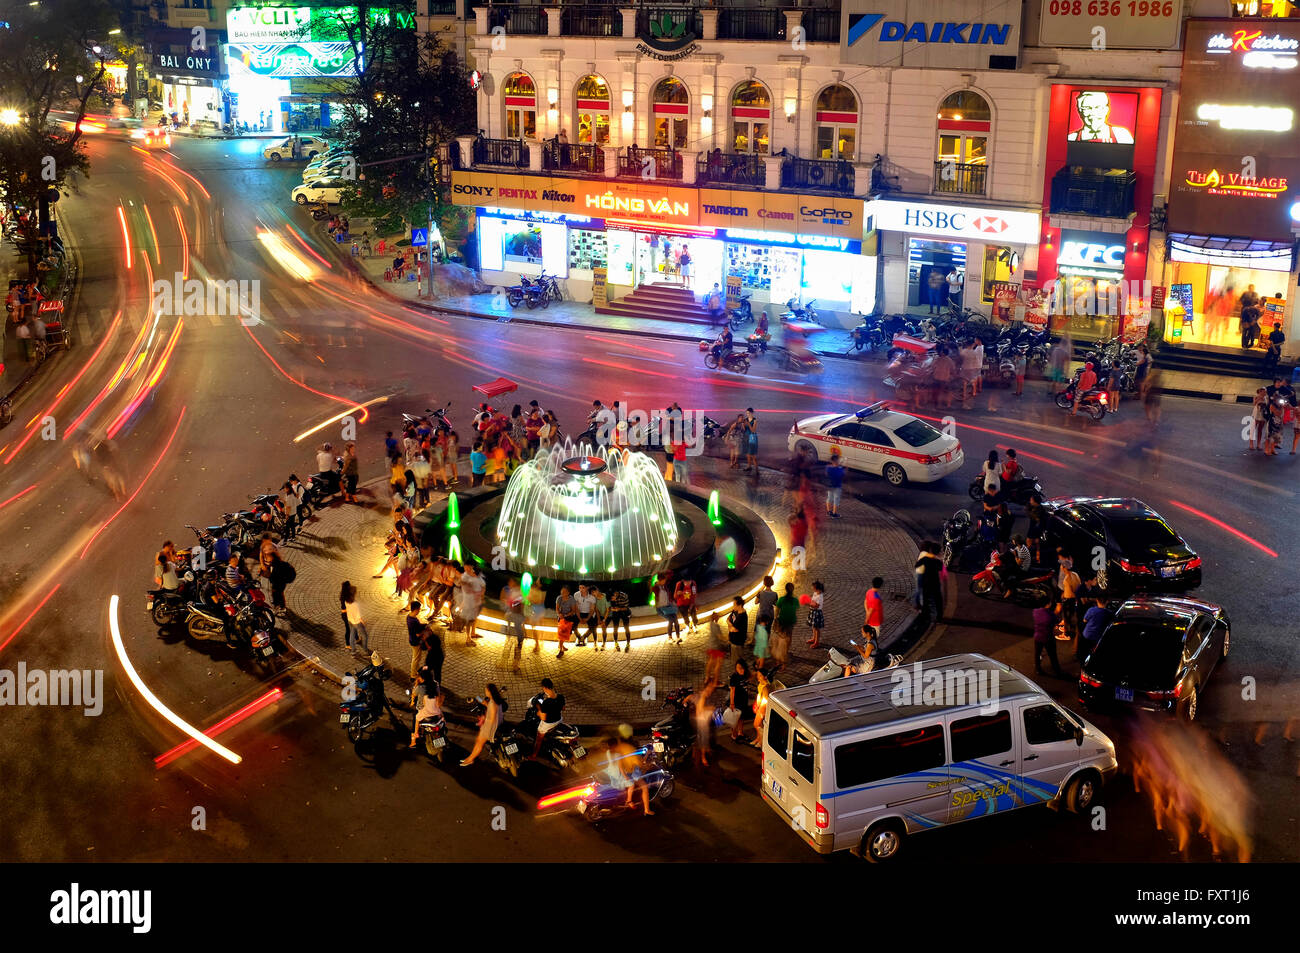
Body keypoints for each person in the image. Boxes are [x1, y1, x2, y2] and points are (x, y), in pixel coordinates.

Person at [461, 683, 505, 767]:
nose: (485, 692)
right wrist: (478, 698)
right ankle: (469, 758)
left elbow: (491, 719)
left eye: (486, 690)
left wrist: (484, 727)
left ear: (489, 691)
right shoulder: (497, 700)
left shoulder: (492, 703)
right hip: (499, 724)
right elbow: (487, 705)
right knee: (478, 741)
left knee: (479, 743)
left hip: (491, 728)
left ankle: (470, 759)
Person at [529, 678, 565, 760]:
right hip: (559, 720)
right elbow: (563, 708)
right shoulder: (560, 697)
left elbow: (543, 717)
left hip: (548, 724)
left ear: (545, 688)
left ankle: (534, 755)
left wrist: (539, 709)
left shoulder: (546, 702)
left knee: (539, 738)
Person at [407, 670, 445, 749]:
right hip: (435, 709)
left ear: (422, 678)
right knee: (442, 718)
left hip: (423, 710)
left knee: (416, 720)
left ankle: (413, 740)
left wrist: (416, 683)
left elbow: (414, 694)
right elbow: (438, 695)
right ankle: (441, 741)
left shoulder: (420, 687)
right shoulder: (435, 684)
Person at [1033, 602, 1065, 677]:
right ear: (1048, 604)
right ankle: (1057, 670)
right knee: (1052, 654)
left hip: (1038, 636)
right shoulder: (1050, 615)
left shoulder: (1035, 612)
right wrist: (1057, 612)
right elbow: (1057, 621)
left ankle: (1038, 668)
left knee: (1037, 653)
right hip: (1048, 637)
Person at [502, 577, 526, 673]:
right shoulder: (518, 594)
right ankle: (514, 664)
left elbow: (518, 607)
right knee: (517, 644)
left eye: (511, 582)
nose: (510, 583)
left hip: (516, 621)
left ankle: (512, 663)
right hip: (516, 622)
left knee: (514, 643)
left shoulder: (518, 594)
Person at [457, 563, 486, 644]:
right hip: (471, 603)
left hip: (474, 603)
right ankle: (468, 637)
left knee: (472, 619)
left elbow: (481, 590)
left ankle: (471, 634)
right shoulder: (476, 580)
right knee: (469, 620)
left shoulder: (477, 580)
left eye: (472, 571)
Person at [915, 543, 944, 622]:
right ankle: (939, 616)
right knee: (938, 599)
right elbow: (940, 569)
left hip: (926, 581)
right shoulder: (938, 561)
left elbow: (917, 565)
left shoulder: (925, 559)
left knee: (925, 598)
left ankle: (925, 615)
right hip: (935, 582)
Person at [1079, 594, 1111, 662]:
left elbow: (1084, 620)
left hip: (1087, 634)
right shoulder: (1108, 613)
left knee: (1085, 652)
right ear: (1107, 601)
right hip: (1098, 637)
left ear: (1097, 600)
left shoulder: (1091, 610)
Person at [728, 660, 750, 742]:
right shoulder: (734, 677)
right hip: (737, 701)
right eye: (737, 668)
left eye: (741, 668)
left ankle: (740, 732)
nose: (739, 670)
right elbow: (732, 691)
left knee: (742, 717)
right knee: (735, 719)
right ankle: (734, 735)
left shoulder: (746, 675)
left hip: (744, 700)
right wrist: (732, 703)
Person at [343, 583, 370, 654]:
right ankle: (365, 650)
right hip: (357, 622)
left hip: (350, 620)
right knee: (365, 635)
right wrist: (363, 622)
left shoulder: (346, 601)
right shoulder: (355, 604)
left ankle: (353, 650)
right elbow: (358, 616)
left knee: (352, 634)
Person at [655, 578, 681, 644]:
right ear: (659, 580)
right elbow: (653, 589)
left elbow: (668, 597)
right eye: (663, 580)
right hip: (661, 608)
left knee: (676, 621)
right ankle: (670, 637)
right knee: (671, 620)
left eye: (665, 581)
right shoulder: (656, 588)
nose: (664, 582)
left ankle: (678, 637)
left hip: (669, 606)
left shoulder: (665, 587)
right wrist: (657, 584)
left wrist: (672, 602)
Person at [574, 582, 598, 647]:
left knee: (592, 627)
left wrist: (587, 618)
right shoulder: (576, 595)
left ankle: (584, 637)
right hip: (579, 612)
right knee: (573, 626)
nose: (581, 590)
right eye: (580, 588)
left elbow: (592, 609)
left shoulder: (592, 597)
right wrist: (580, 618)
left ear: (587, 588)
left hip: (588, 613)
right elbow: (576, 608)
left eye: (583, 588)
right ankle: (579, 637)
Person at [726, 596, 748, 662]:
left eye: (734, 605)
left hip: (737, 642)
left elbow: (734, 629)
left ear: (740, 605)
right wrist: (731, 626)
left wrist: (730, 627)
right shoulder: (735, 611)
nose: (733, 607)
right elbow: (727, 619)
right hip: (732, 640)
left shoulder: (742, 616)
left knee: (737, 661)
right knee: (734, 659)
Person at [805, 580, 826, 648]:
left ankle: (816, 642)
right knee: (813, 627)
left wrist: (808, 604)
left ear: (818, 589)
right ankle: (814, 638)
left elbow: (816, 606)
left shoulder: (820, 596)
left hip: (817, 612)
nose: (813, 589)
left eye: (814, 588)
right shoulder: (815, 593)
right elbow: (812, 600)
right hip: (813, 611)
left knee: (816, 628)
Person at [824, 451, 845, 518]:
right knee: (836, 499)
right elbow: (842, 476)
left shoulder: (828, 468)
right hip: (837, 486)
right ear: (836, 460)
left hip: (830, 486)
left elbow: (826, 474)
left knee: (829, 498)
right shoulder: (840, 469)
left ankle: (828, 512)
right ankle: (834, 513)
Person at [742, 407, 759, 472]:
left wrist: (748, 424)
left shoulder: (755, 420)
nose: (747, 414)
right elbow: (744, 430)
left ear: (752, 413)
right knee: (747, 454)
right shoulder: (745, 420)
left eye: (749, 413)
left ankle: (757, 469)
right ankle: (749, 466)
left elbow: (753, 430)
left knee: (752, 455)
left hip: (752, 438)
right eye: (747, 413)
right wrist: (743, 424)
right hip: (746, 437)